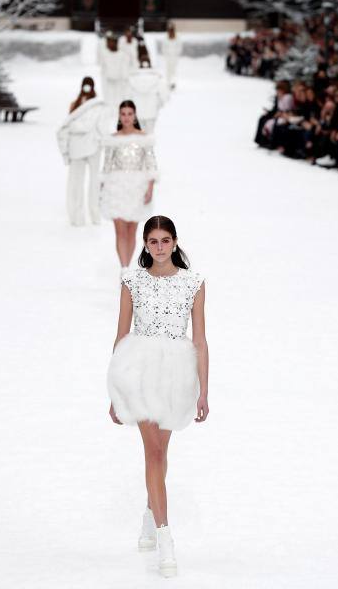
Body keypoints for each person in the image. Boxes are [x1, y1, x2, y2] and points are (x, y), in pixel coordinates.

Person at [107, 215, 209, 578]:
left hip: (178, 372)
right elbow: (121, 335)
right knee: (152, 451)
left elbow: (199, 339)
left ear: (176, 242)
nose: (160, 247)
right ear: (145, 245)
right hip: (139, 370)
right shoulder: (131, 282)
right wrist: (115, 389)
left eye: (166, 240)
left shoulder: (193, 283)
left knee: (162, 453)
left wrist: (204, 389)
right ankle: (167, 540)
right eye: (153, 241)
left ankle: (150, 516)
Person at [100, 100, 158, 267]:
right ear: (119, 116)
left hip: (137, 187)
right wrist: (103, 188)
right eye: (123, 114)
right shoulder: (112, 140)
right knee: (119, 231)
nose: (126, 117)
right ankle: (124, 268)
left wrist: (150, 188)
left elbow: (151, 164)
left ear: (135, 116)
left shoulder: (144, 139)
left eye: (129, 114)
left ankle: (127, 265)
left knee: (131, 230)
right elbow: (107, 165)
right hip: (115, 187)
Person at [56, 77, 109, 226]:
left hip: (86, 146)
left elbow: (70, 125)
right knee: (77, 183)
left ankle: (93, 215)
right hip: (83, 147)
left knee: (90, 182)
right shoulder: (79, 105)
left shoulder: (97, 106)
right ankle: (79, 216)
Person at [126, 49, 168, 133]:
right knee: (150, 133)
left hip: (138, 111)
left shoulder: (132, 79)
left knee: (140, 133)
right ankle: (149, 145)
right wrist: (158, 105)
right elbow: (164, 96)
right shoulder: (157, 78)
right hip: (152, 111)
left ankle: (142, 145)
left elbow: (127, 97)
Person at [98, 31, 130, 108]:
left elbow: (124, 70)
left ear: (116, 43)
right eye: (108, 42)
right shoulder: (104, 55)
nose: (109, 44)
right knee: (109, 103)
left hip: (119, 84)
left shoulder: (122, 55)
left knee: (119, 103)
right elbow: (103, 70)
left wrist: (124, 81)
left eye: (112, 42)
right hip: (108, 83)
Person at [160, 23, 182, 90]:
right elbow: (163, 48)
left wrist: (176, 54)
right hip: (168, 58)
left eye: (172, 29)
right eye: (170, 29)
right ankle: (168, 83)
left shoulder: (177, 37)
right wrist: (166, 55)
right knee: (168, 71)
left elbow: (179, 47)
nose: (171, 31)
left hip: (175, 58)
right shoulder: (165, 38)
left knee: (174, 71)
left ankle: (173, 83)